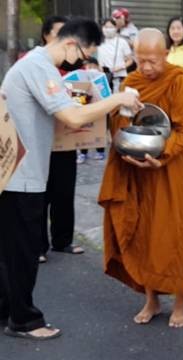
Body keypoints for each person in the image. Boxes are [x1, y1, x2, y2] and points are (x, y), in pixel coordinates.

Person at [0, 17, 142, 340]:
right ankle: (24, 320)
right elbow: (72, 115)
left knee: (10, 250)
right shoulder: (40, 67)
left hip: (18, 171)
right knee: (22, 251)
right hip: (23, 175)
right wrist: (118, 99)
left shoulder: (34, 65)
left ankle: (7, 308)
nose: (80, 61)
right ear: (70, 44)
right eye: (83, 54)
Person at [98, 28, 183, 328]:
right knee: (143, 232)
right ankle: (151, 298)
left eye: (152, 61)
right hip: (137, 170)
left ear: (166, 54)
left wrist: (161, 155)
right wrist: (125, 132)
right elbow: (118, 123)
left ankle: (180, 302)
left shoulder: (181, 82)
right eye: (141, 60)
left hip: (171, 170)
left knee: (175, 234)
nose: (146, 67)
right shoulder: (131, 84)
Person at [37, 15, 86, 264]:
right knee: (41, 193)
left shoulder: (76, 65)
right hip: (41, 141)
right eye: (59, 34)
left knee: (65, 191)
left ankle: (62, 240)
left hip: (67, 139)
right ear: (46, 36)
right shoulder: (34, 63)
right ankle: (38, 246)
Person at [78, 58, 107, 163]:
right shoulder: (81, 75)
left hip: (99, 107)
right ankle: (83, 153)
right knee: (84, 130)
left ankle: (100, 152)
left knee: (99, 129)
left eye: (89, 66)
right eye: (86, 66)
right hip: (86, 106)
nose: (88, 68)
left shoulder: (102, 76)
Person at [98, 18, 134, 93]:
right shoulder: (99, 42)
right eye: (106, 27)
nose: (108, 29)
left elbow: (130, 60)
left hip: (118, 76)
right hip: (103, 77)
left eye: (110, 27)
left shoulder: (122, 42)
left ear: (115, 28)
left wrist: (120, 67)